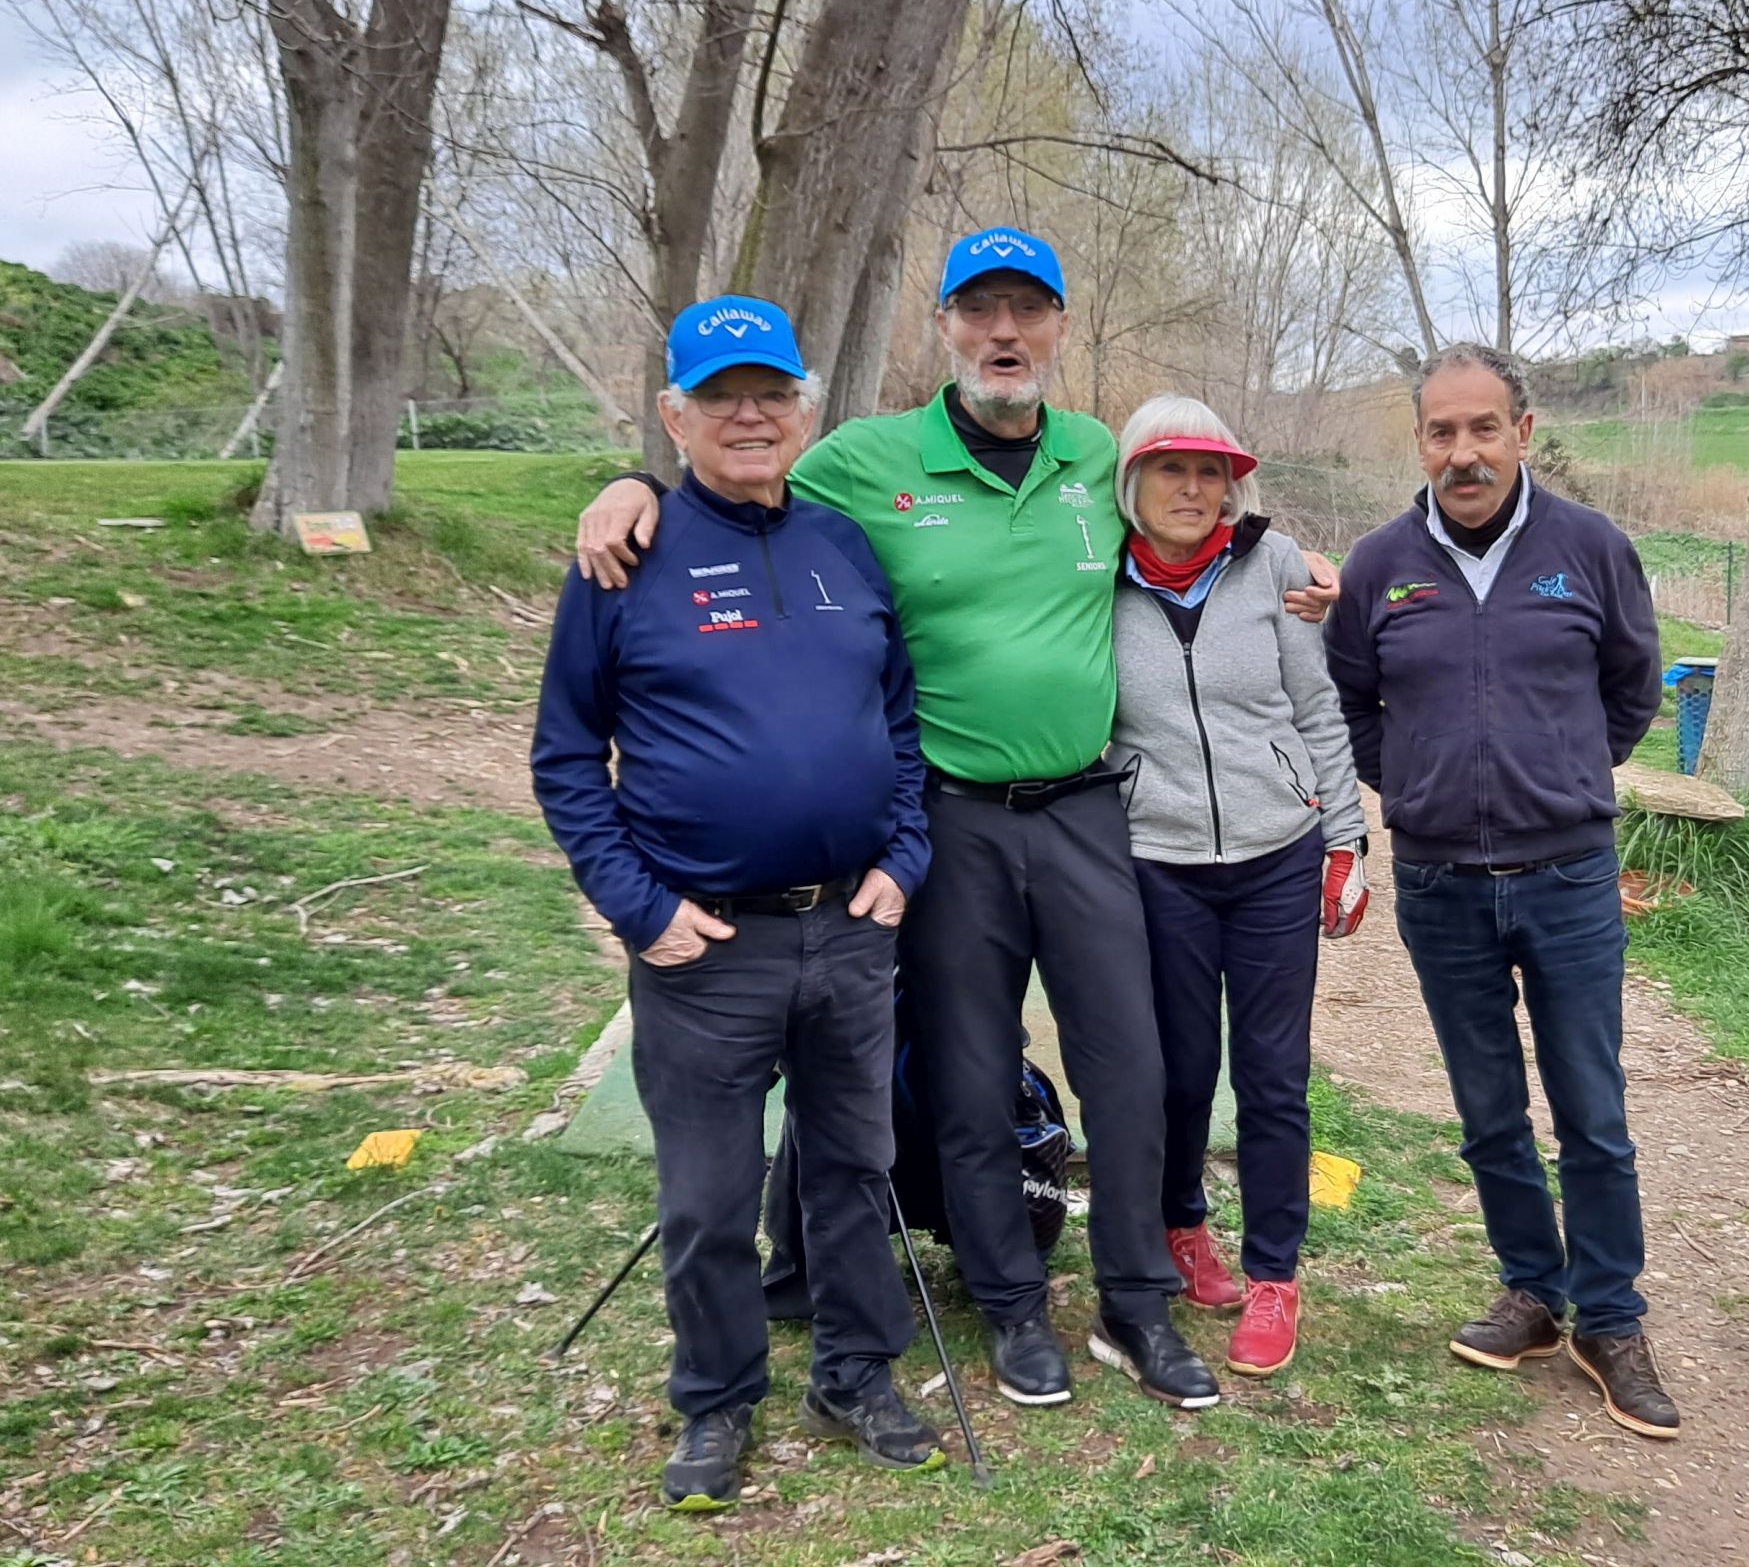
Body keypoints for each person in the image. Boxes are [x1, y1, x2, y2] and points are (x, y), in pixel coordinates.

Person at [571, 228, 1337, 1412]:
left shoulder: (1096, 456)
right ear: (945, 328)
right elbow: (740, 487)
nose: (1004, 333)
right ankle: (1014, 1307)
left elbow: (1206, 521)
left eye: (1028, 311)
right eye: (980, 311)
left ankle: (1134, 1305)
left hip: (1087, 813)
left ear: (1060, 328)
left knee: (1130, 1069)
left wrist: (1302, 561)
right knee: (970, 1078)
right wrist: (633, 489)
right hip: (950, 818)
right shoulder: (865, 460)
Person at [530, 296, 942, 1509]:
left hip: (851, 927)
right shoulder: (625, 560)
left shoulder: (843, 545)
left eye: (771, 392)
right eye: (721, 397)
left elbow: (900, 723)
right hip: (705, 945)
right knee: (708, 1200)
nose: (750, 415)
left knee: (853, 1172)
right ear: (676, 416)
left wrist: (905, 855)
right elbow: (566, 756)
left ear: (803, 408)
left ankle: (855, 1375)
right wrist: (638, 907)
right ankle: (716, 1399)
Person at [1321, 342, 1680, 1440]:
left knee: (1592, 1111)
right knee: (1488, 1113)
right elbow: (1350, 699)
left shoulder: (1591, 549)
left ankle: (1610, 1318)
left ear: (1523, 433)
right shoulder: (1381, 566)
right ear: (1420, 442)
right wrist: (1417, 782)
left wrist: (1560, 776)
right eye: (1443, 432)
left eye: (1484, 428)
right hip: (1439, 885)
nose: (1464, 452)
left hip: (1568, 878)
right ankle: (1533, 1290)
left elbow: (1632, 686)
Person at [1105, 394, 1370, 1380]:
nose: (1193, 489)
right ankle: (1182, 1228)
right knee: (1178, 1071)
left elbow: (1318, 709)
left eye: (1211, 472)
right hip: (1157, 861)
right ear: (1132, 481)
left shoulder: (1276, 565)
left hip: (1276, 856)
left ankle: (1274, 1275)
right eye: (1171, 470)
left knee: (1272, 1073)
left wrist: (1346, 839)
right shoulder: (1095, 575)